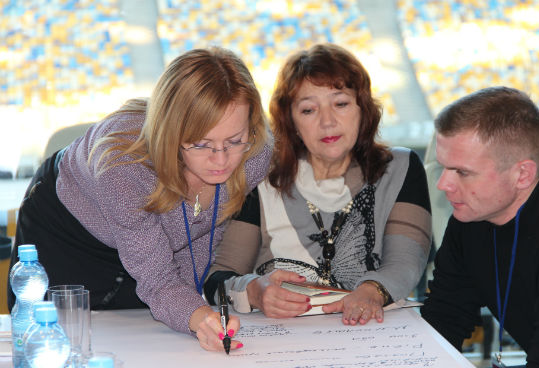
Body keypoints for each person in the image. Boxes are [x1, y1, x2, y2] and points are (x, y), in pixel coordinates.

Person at [8, 47, 272, 352]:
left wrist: (197, 315)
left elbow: (199, 231)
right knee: (63, 344)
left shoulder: (256, 154)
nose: (221, 160)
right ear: (171, 133)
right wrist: (196, 314)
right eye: (201, 143)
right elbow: (158, 280)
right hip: (67, 234)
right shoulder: (123, 168)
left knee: (154, 343)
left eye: (234, 140)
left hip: (146, 240)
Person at [203, 43, 432, 325]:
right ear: (291, 121)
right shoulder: (260, 174)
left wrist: (371, 291)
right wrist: (253, 291)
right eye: (309, 110)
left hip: (371, 335)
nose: (327, 121)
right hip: (281, 339)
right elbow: (218, 278)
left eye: (341, 103)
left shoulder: (400, 167)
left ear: (363, 108)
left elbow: (406, 262)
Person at [420, 86, 539, 367]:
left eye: (462, 172)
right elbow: (446, 315)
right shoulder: (471, 215)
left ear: (522, 174)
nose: (443, 185)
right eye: (443, 168)